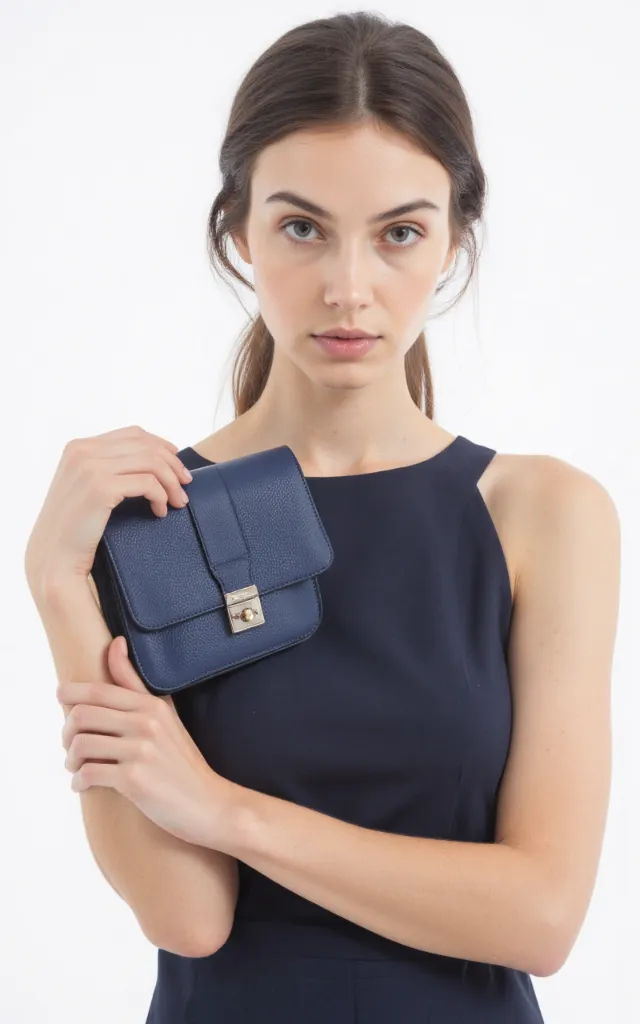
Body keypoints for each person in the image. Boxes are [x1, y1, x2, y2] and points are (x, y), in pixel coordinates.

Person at [24, 11, 620, 1024]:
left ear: (452, 240)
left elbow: (542, 915)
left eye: (399, 232)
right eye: (301, 227)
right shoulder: (152, 517)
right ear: (238, 230)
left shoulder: (544, 513)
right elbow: (188, 916)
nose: (349, 290)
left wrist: (227, 813)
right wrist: (56, 585)